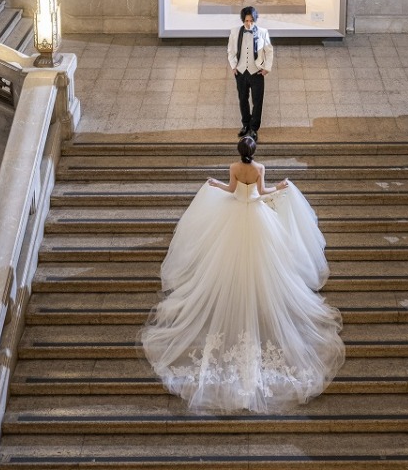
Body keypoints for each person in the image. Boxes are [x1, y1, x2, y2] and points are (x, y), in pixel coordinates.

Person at [140, 135, 345, 414]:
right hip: (258, 219)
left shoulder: (234, 167)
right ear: (254, 151)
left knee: (225, 261)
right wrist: (281, 188)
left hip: (235, 216)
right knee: (266, 265)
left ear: (240, 152)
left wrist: (215, 185)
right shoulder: (259, 169)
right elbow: (260, 194)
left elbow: (231, 189)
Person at [228, 4, 272, 139]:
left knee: (257, 101)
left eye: (251, 21)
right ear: (243, 20)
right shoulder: (235, 32)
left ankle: (254, 128)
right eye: (246, 21)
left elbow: (269, 51)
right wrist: (234, 66)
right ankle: (245, 124)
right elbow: (230, 50)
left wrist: (266, 68)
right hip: (241, 72)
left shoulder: (263, 32)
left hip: (257, 72)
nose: (249, 23)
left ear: (255, 20)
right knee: (242, 99)